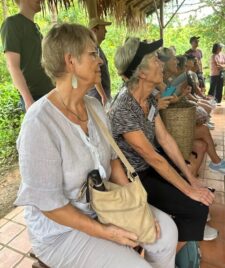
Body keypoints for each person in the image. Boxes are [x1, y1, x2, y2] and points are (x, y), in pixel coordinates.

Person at [15, 23, 178, 268]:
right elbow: (49, 205)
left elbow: (113, 160)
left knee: (167, 233)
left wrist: (136, 208)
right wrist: (107, 232)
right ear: (70, 61)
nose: (101, 61)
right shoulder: (39, 124)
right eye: (93, 54)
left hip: (105, 208)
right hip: (61, 233)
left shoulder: (94, 107)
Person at [109, 37, 215, 250]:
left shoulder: (147, 98)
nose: (160, 62)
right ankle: (165, 257)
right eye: (153, 59)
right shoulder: (123, 108)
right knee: (197, 207)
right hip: (137, 176)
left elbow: (165, 139)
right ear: (141, 73)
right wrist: (188, 189)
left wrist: (190, 180)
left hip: (151, 165)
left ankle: (181, 237)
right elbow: (153, 158)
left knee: (196, 191)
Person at [0, 0, 54, 112]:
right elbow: (13, 66)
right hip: (35, 98)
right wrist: (28, 100)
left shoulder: (35, 28)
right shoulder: (12, 24)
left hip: (50, 93)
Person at [87, 17, 112, 106]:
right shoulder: (92, 48)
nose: (106, 31)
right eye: (103, 28)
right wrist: (103, 95)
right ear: (94, 30)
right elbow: (93, 72)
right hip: (97, 97)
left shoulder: (97, 48)